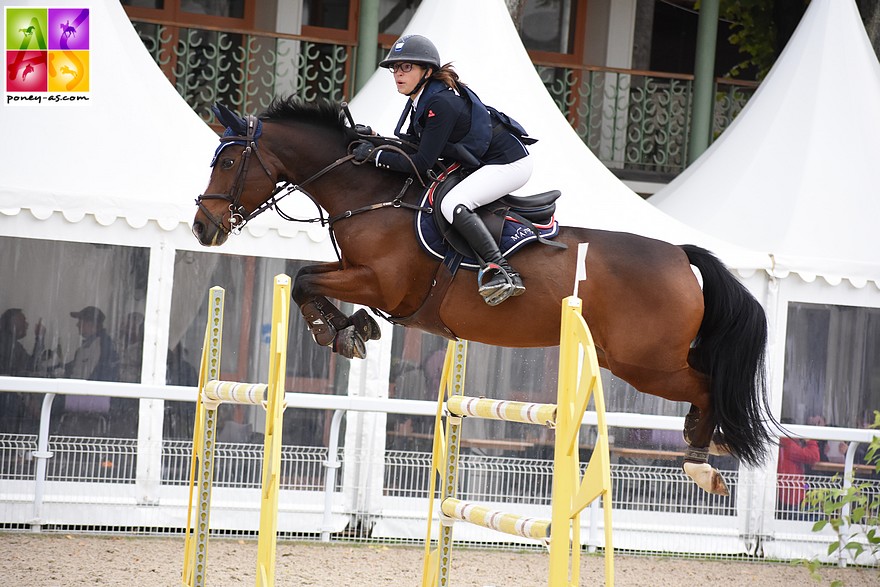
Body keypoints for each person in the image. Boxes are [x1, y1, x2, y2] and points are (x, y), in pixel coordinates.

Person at [354, 34, 536, 306]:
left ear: (426, 71)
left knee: (453, 203)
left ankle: (502, 270)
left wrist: (375, 156)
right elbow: (416, 144)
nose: (397, 75)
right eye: (395, 68)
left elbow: (420, 163)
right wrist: (376, 137)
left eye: (406, 68)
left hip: (509, 164)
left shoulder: (440, 102)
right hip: (485, 162)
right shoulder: (423, 97)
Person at [65, 306, 118, 382]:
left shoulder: (101, 345)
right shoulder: (90, 344)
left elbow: (90, 376)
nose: (77, 325)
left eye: (80, 321)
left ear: (91, 324)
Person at [777, 422, 820, 513]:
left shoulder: (786, 443)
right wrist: (810, 440)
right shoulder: (788, 443)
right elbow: (813, 456)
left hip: (791, 492)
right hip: (791, 495)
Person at [0, 307, 45, 376]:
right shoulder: (8, 345)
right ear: (14, 324)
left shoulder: (9, 342)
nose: (27, 325)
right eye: (23, 321)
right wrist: (40, 337)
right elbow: (32, 366)